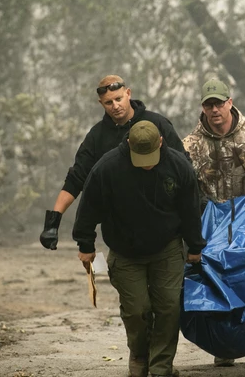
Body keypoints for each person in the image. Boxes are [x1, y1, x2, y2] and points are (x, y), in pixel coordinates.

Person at [72, 120, 206, 377]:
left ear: (161, 143)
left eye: (152, 156)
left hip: (166, 248)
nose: (147, 163)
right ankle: (140, 355)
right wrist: (85, 244)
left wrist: (195, 246)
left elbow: (190, 210)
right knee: (136, 310)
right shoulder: (108, 168)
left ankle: (161, 366)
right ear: (128, 144)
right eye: (140, 157)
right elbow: (89, 207)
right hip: (125, 251)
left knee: (168, 307)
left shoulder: (178, 166)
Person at [39, 75, 188, 251]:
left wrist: (194, 220)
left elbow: (184, 167)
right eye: (109, 102)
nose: (115, 106)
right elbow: (76, 178)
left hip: (165, 227)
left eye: (118, 99)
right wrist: (53, 222)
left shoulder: (157, 124)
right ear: (101, 103)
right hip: (121, 234)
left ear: (128, 94)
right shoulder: (97, 137)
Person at [181, 78, 245, 367]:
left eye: (219, 103)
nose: (215, 109)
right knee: (210, 279)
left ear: (230, 102)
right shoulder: (191, 145)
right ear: (203, 108)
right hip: (210, 220)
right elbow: (188, 190)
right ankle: (222, 344)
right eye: (209, 104)